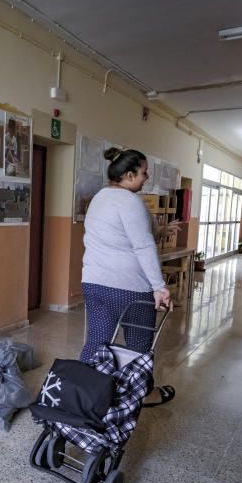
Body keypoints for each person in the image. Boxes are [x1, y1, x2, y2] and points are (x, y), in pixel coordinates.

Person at [80, 148, 174, 404]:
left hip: (94, 283)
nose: (146, 177)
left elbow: (121, 236)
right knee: (139, 343)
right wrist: (159, 286)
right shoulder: (130, 202)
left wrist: (160, 231)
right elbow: (142, 245)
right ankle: (144, 395)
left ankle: (83, 393)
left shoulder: (99, 198)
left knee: (97, 341)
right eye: (144, 172)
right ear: (130, 174)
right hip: (129, 288)